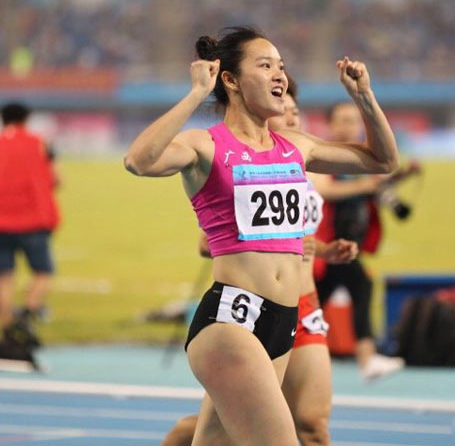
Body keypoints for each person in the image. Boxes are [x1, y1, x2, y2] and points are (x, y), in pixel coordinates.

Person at [124, 26, 398, 445]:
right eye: (265, 66)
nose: (279, 75)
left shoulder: (296, 146)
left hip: (283, 321)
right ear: (230, 80)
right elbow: (139, 161)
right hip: (231, 322)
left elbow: (383, 161)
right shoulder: (205, 146)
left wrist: (364, 96)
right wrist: (196, 94)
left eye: (281, 67)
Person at [161, 76, 358, 446]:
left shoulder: (305, 166)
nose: (293, 119)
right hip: (249, 308)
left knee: (311, 423)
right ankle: (181, 436)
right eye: (287, 112)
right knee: (240, 427)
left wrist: (324, 250)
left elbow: (295, 237)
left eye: (298, 113)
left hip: (302, 306)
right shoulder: (252, 165)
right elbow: (213, 241)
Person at [313, 102, 420, 381]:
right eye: (343, 120)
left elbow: (376, 187)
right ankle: (366, 358)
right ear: (330, 125)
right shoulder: (320, 155)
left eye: (353, 120)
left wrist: (404, 175)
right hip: (328, 244)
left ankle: (291, 348)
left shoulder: (359, 159)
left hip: (349, 244)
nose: (349, 126)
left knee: (315, 302)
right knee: (357, 287)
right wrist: (365, 185)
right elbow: (324, 190)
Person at [0, 102, 60, 348]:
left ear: (1, 119)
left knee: (4, 276)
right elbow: (56, 179)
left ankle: (7, 329)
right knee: (43, 272)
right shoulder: (40, 143)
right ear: (26, 119)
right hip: (33, 219)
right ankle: (27, 313)